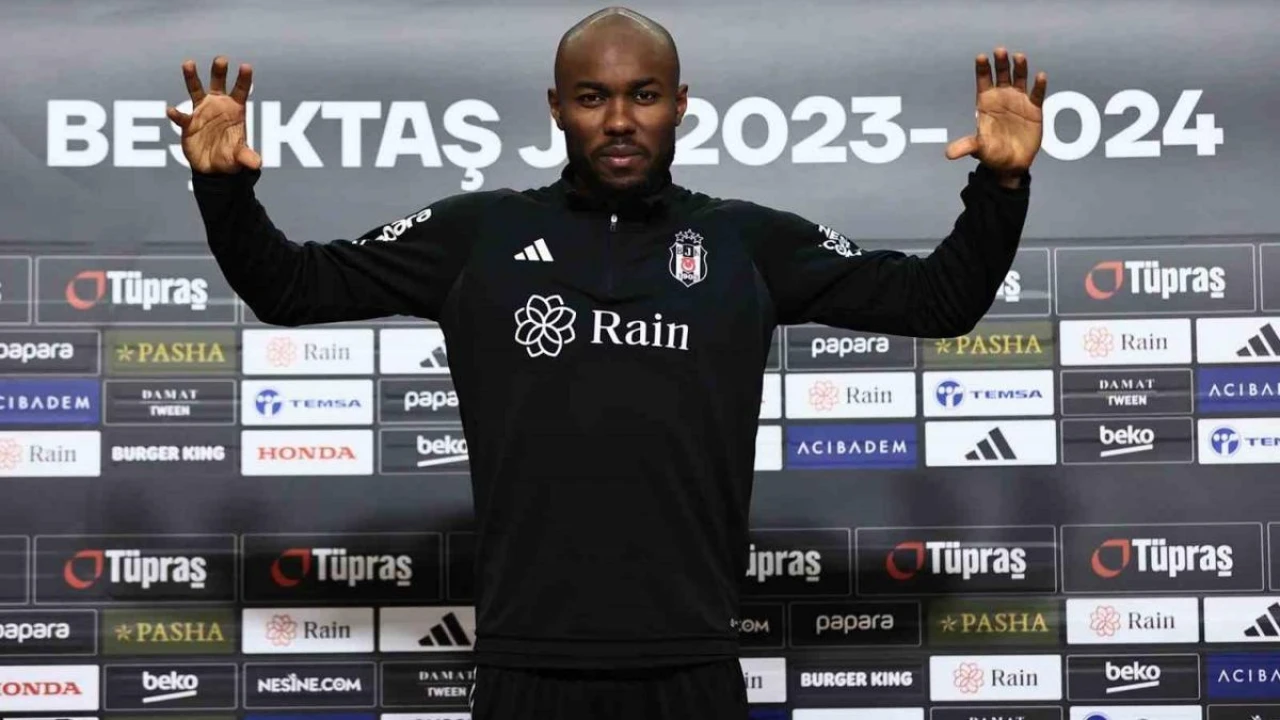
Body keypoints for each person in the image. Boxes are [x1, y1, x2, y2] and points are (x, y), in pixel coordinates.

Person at [170, 6, 1047, 719]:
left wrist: (1000, 189)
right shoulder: (480, 234)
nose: (620, 121)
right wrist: (222, 189)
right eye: (593, 97)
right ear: (556, 106)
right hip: (525, 665)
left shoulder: (744, 241)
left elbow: (935, 302)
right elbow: (291, 287)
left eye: (644, 95)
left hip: (693, 663)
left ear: (681, 103)